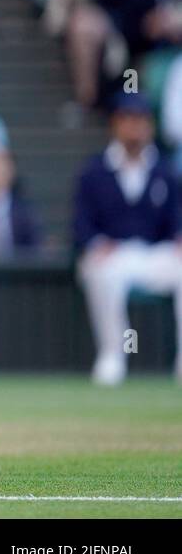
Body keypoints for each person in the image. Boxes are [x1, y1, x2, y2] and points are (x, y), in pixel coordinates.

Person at [73, 93, 182, 386]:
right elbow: (81, 224)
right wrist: (97, 243)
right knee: (100, 271)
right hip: (114, 256)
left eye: (140, 120)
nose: (133, 127)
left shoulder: (166, 171)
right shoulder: (94, 171)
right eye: (127, 120)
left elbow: (175, 219)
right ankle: (112, 357)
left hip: (153, 255)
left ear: (150, 126)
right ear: (115, 125)